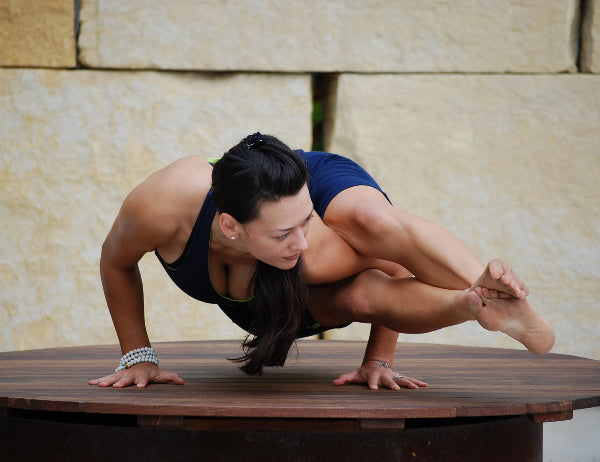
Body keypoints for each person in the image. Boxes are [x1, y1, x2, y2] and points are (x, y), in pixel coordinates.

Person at [89, 133, 555, 391]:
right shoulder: (160, 207)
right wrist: (139, 357)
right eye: (284, 235)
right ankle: (472, 303)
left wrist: (380, 360)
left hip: (294, 183)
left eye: (307, 223)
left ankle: (488, 296)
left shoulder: (311, 240)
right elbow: (116, 262)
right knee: (354, 294)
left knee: (371, 221)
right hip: (260, 218)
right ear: (231, 227)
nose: (302, 242)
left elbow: (396, 263)